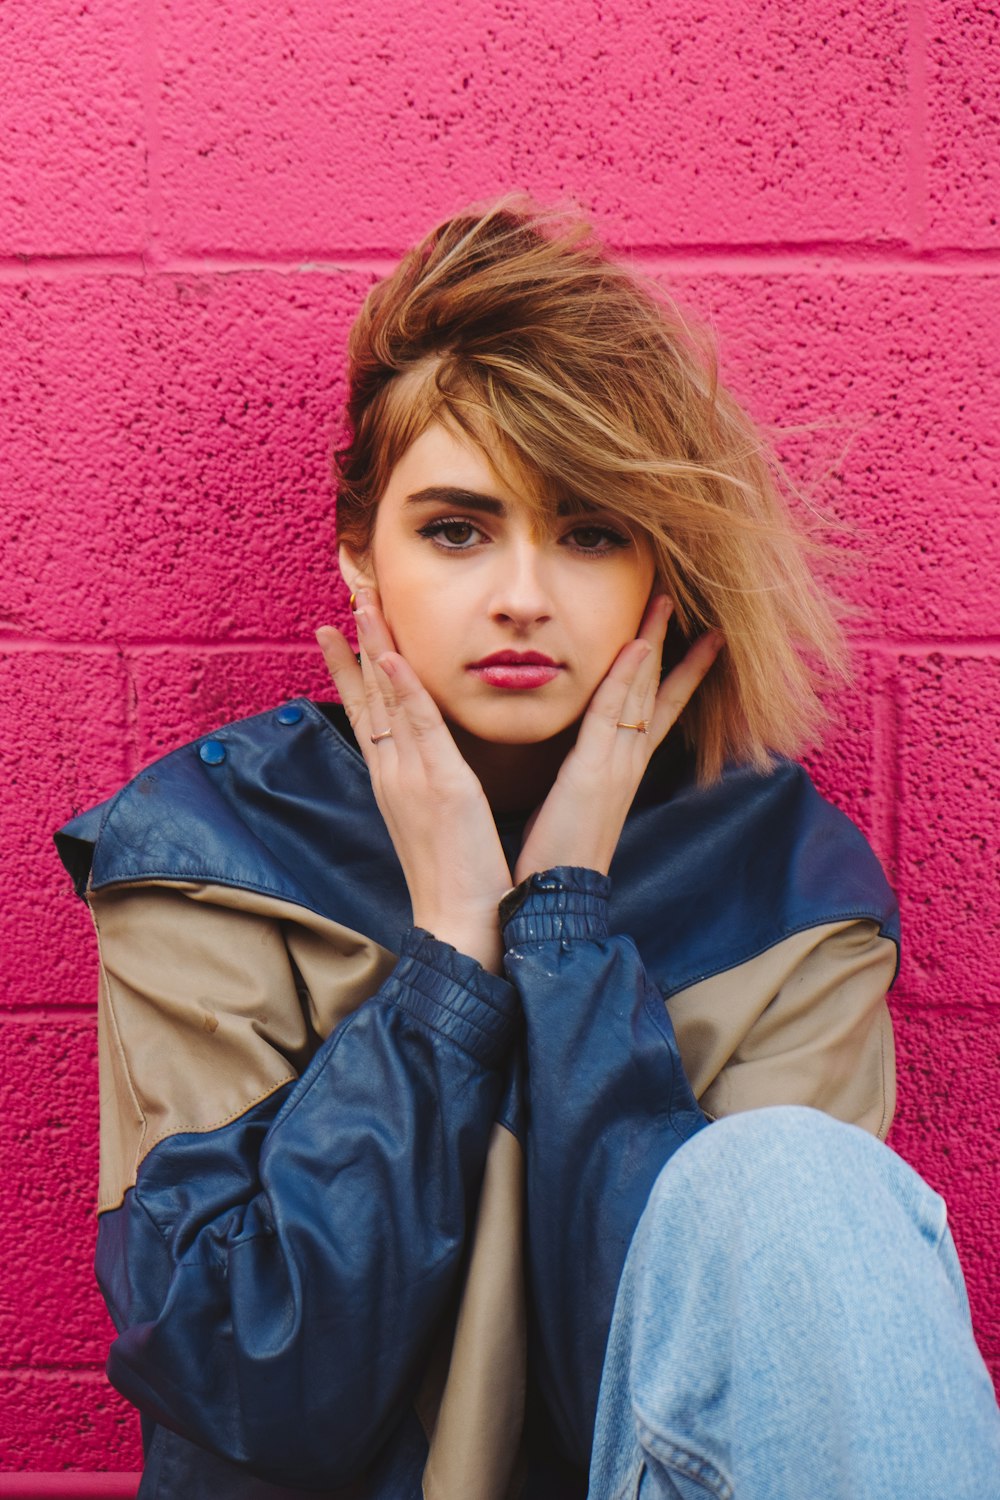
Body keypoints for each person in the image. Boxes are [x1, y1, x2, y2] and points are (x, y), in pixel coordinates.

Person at [56, 200, 1000, 1500]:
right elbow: (252, 1383)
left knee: (806, 1185)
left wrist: (562, 926)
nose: (522, 593)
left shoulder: (782, 887)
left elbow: (698, 1394)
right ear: (360, 559)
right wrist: (450, 954)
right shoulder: (214, 850)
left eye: (589, 531)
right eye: (457, 529)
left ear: (661, 573)